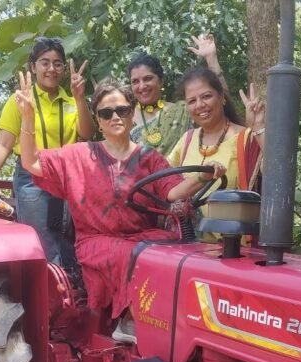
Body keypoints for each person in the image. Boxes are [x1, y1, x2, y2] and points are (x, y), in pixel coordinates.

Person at [14, 75, 225, 341]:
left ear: (132, 112)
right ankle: (129, 320)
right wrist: (28, 117)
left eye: (122, 110)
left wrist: (203, 177)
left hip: (143, 238)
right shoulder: (78, 154)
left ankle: (188, 324)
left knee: (181, 251)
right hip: (97, 240)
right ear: (98, 120)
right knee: (135, 254)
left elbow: (172, 191)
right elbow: (32, 163)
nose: (115, 117)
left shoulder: (149, 157)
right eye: (106, 112)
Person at [0, 37, 94, 271]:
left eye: (57, 63)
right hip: (32, 176)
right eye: (45, 62)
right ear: (33, 67)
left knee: (70, 241)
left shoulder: (72, 101)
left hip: (67, 177)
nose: (51, 68)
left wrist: (80, 98)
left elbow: (87, 134)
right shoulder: (20, 100)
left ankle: (72, 295)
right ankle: (48, 299)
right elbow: (4, 143)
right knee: (41, 243)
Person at [168, 67, 265, 194]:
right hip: (186, 214)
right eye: (192, 101)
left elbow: (277, 174)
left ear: (222, 98)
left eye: (206, 96)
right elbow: (163, 182)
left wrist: (258, 126)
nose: (199, 105)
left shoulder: (246, 138)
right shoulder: (187, 139)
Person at [129, 34, 226, 153]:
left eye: (148, 79)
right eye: (135, 81)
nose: (142, 86)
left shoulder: (184, 110)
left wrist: (211, 59)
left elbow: (222, 103)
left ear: (161, 81)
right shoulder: (124, 120)